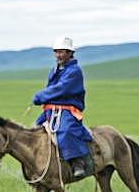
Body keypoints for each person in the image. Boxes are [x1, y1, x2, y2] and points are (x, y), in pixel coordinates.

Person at [31, 36, 93, 179]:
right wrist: (44, 98)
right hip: (51, 109)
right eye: (56, 52)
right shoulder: (54, 70)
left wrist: (41, 96)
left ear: (70, 53)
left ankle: (77, 162)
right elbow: (51, 89)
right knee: (35, 129)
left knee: (65, 131)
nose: (58, 55)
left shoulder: (74, 71)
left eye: (62, 52)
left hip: (67, 109)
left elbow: (61, 89)